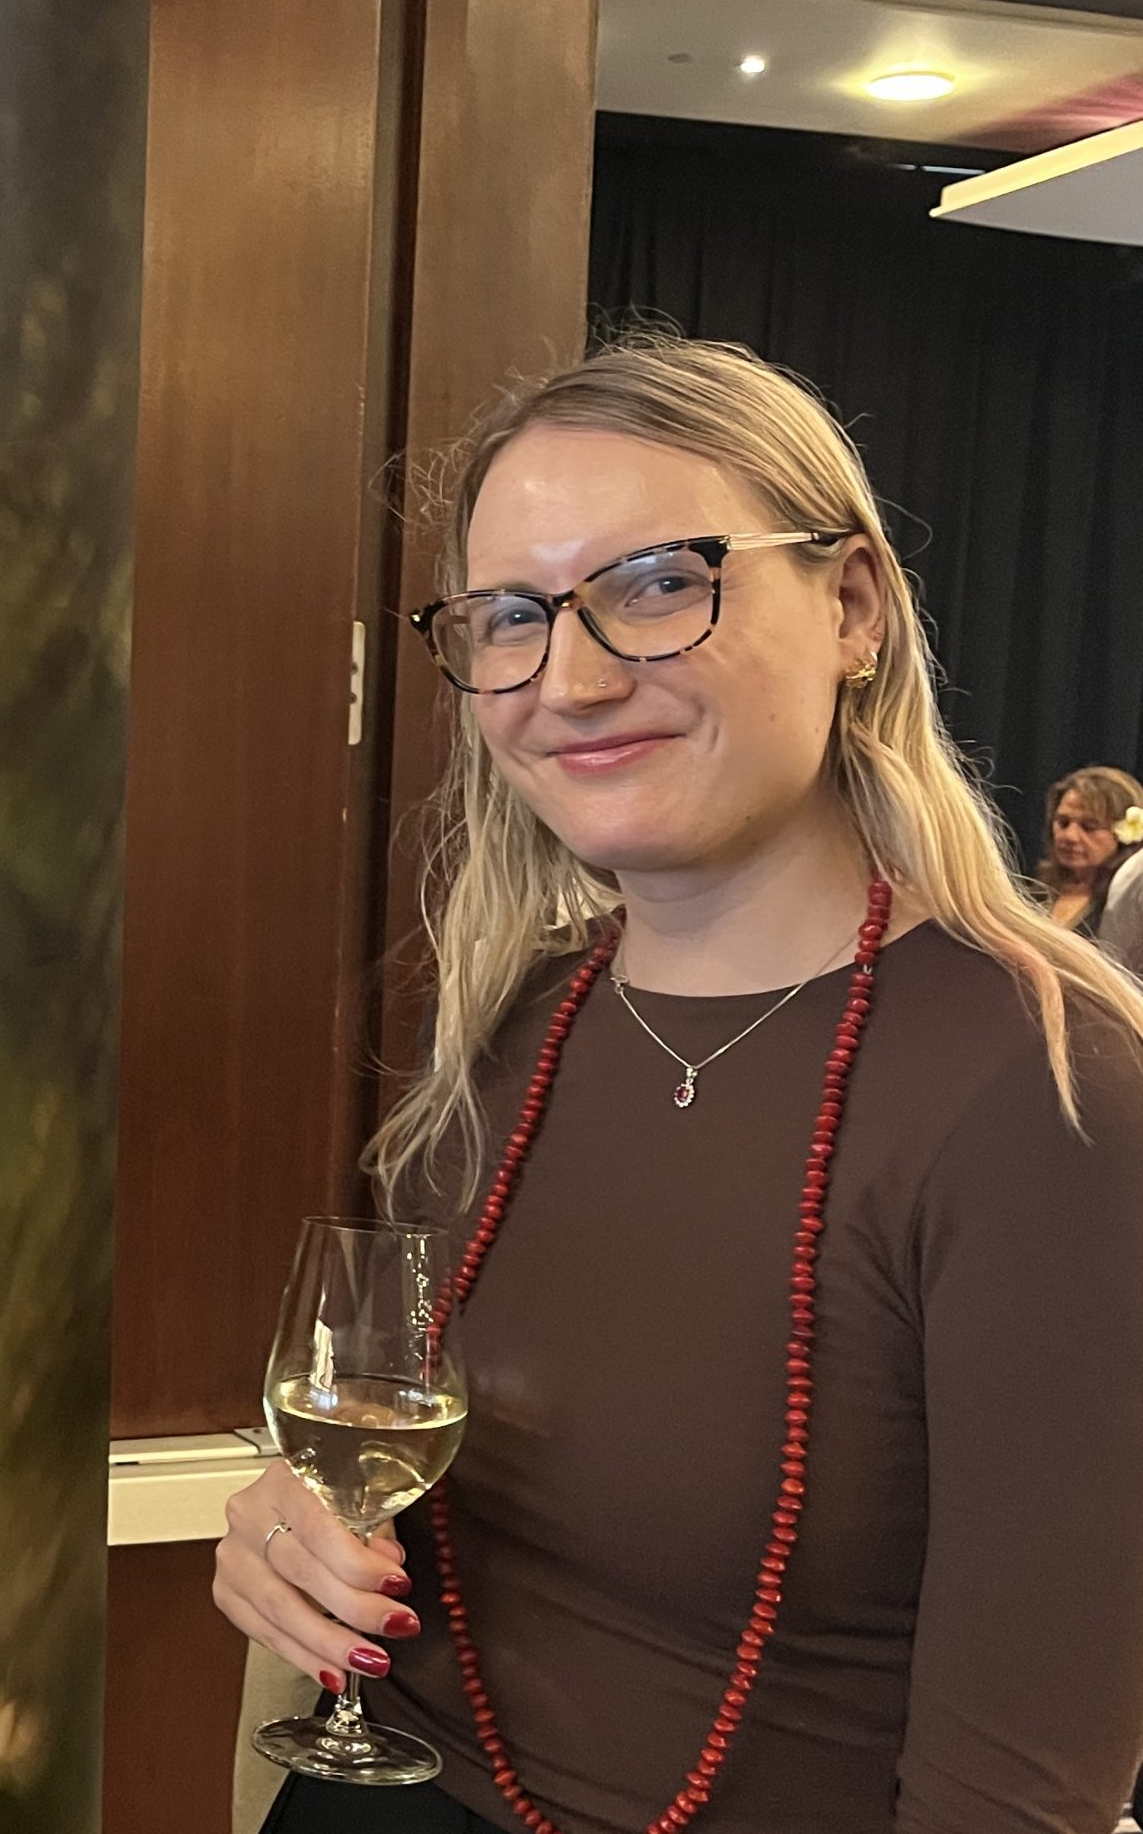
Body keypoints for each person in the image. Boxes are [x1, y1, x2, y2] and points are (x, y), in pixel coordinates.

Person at [215, 336, 1143, 1832]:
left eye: (656, 584)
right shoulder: (506, 1023)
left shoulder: (1045, 1082)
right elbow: (416, 1468)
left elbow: (1016, 1794)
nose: (572, 681)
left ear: (853, 606)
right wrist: (290, 1530)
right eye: (510, 618)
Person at [1038, 764, 1143, 936]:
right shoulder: (1038, 892)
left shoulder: (1128, 905)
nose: (1070, 836)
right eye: (1063, 823)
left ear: (1125, 834)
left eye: (1089, 827)